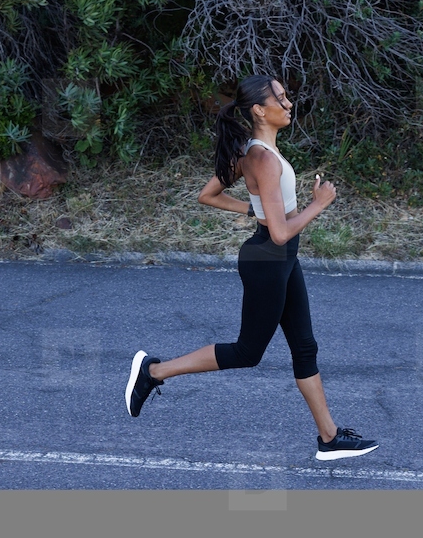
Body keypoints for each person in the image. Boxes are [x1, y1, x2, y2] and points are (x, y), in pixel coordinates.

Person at [125, 74, 378, 461]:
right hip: (268, 258)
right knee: (247, 352)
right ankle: (154, 372)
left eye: (287, 96)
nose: (289, 104)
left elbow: (207, 195)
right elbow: (278, 233)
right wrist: (319, 204)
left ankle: (329, 438)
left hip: (279, 258)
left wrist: (251, 208)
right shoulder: (260, 157)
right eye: (281, 98)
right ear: (260, 109)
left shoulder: (254, 152)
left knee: (305, 346)